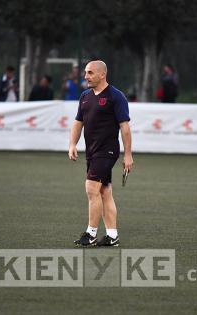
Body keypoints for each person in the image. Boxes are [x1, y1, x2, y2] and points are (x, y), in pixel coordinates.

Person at [68, 60, 133, 247]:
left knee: (91, 188)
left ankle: (91, 234)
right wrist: (72, 143)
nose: (85, 76)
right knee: (104, 192)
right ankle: (112, 236)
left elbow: (125, 127)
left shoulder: (116, 96)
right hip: (92, 151)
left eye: (89, 73)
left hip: (107, 151)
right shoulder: (85, 96)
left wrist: (128, 155)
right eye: (85, 73)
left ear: (102, 74)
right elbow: (78, 122)